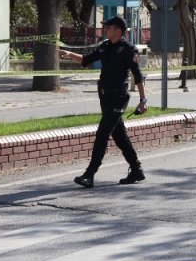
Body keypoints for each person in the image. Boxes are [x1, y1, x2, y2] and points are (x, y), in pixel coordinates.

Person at [58, 16, 148, 188]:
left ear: (118, 30)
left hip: (118, 97)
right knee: (119, 136)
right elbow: (85, 60)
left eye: (108, 27)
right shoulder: (105, 46)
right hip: (105, 97)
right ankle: (136, 170)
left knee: (102, 134)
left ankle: (89, 174)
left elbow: (138, 76)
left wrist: (143, 100)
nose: (105, 29)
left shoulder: (128, 50)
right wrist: (69, 54)